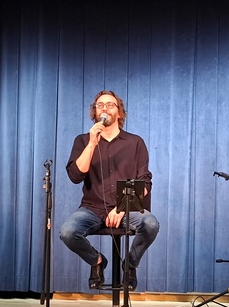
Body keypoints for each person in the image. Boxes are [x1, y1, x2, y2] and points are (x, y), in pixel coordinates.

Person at [60, 90, 159, 291]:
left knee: (150, 224)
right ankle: (97, 261)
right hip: (92, 208)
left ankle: (129, 264)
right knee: (68, 232)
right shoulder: (83, 141)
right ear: (95, 112)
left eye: (110, 104)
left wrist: (122, 207)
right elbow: (75, 176)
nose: (104, 108)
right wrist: (92, 144)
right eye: (100, 105)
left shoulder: (135, 142)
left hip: (127, 208)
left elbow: (144, 183)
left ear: (119, 113)